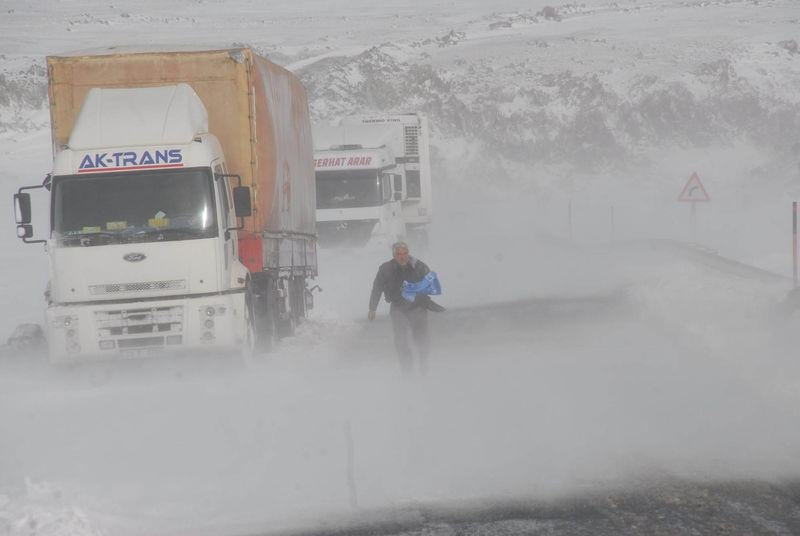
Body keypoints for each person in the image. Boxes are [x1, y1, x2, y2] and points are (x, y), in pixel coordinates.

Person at [368, 241, 441, 375]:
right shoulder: (385, 269)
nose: (402, 257)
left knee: (421, 338)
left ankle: (423, 364)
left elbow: (431, 284)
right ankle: (407, 369)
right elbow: (377, 288)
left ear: (408, 253)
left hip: (417, 307)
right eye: (399, 254)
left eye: (405, 253)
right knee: (401, 340)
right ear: (394, 255)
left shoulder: (418, 266)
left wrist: (426, 297)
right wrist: (372, 308)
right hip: (398, 308)